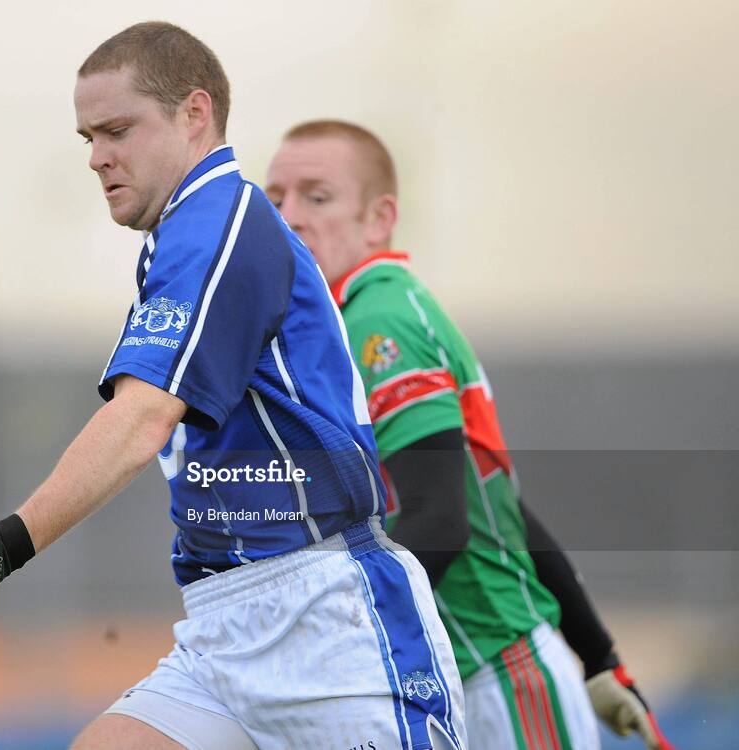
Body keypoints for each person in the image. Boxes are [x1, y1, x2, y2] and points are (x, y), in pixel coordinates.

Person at [0, 24, 467, 750]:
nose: (98, 157)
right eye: (88, 138)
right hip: (224, 625)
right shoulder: (182, 239)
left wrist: (10, 542)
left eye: (118, 130)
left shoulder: (222, 222)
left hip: (330, 623)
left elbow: (141, 421)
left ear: (195, 115)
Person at [266, 119, 675, 750]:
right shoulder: (344, 323)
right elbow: (501, 509)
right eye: (275, 199)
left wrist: (324, 635)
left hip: (498, 679)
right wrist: (597, 657)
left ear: (379, 220)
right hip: (469, 677)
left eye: (316, 197)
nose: (289, 217)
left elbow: (439, 524)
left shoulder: (379, 318)